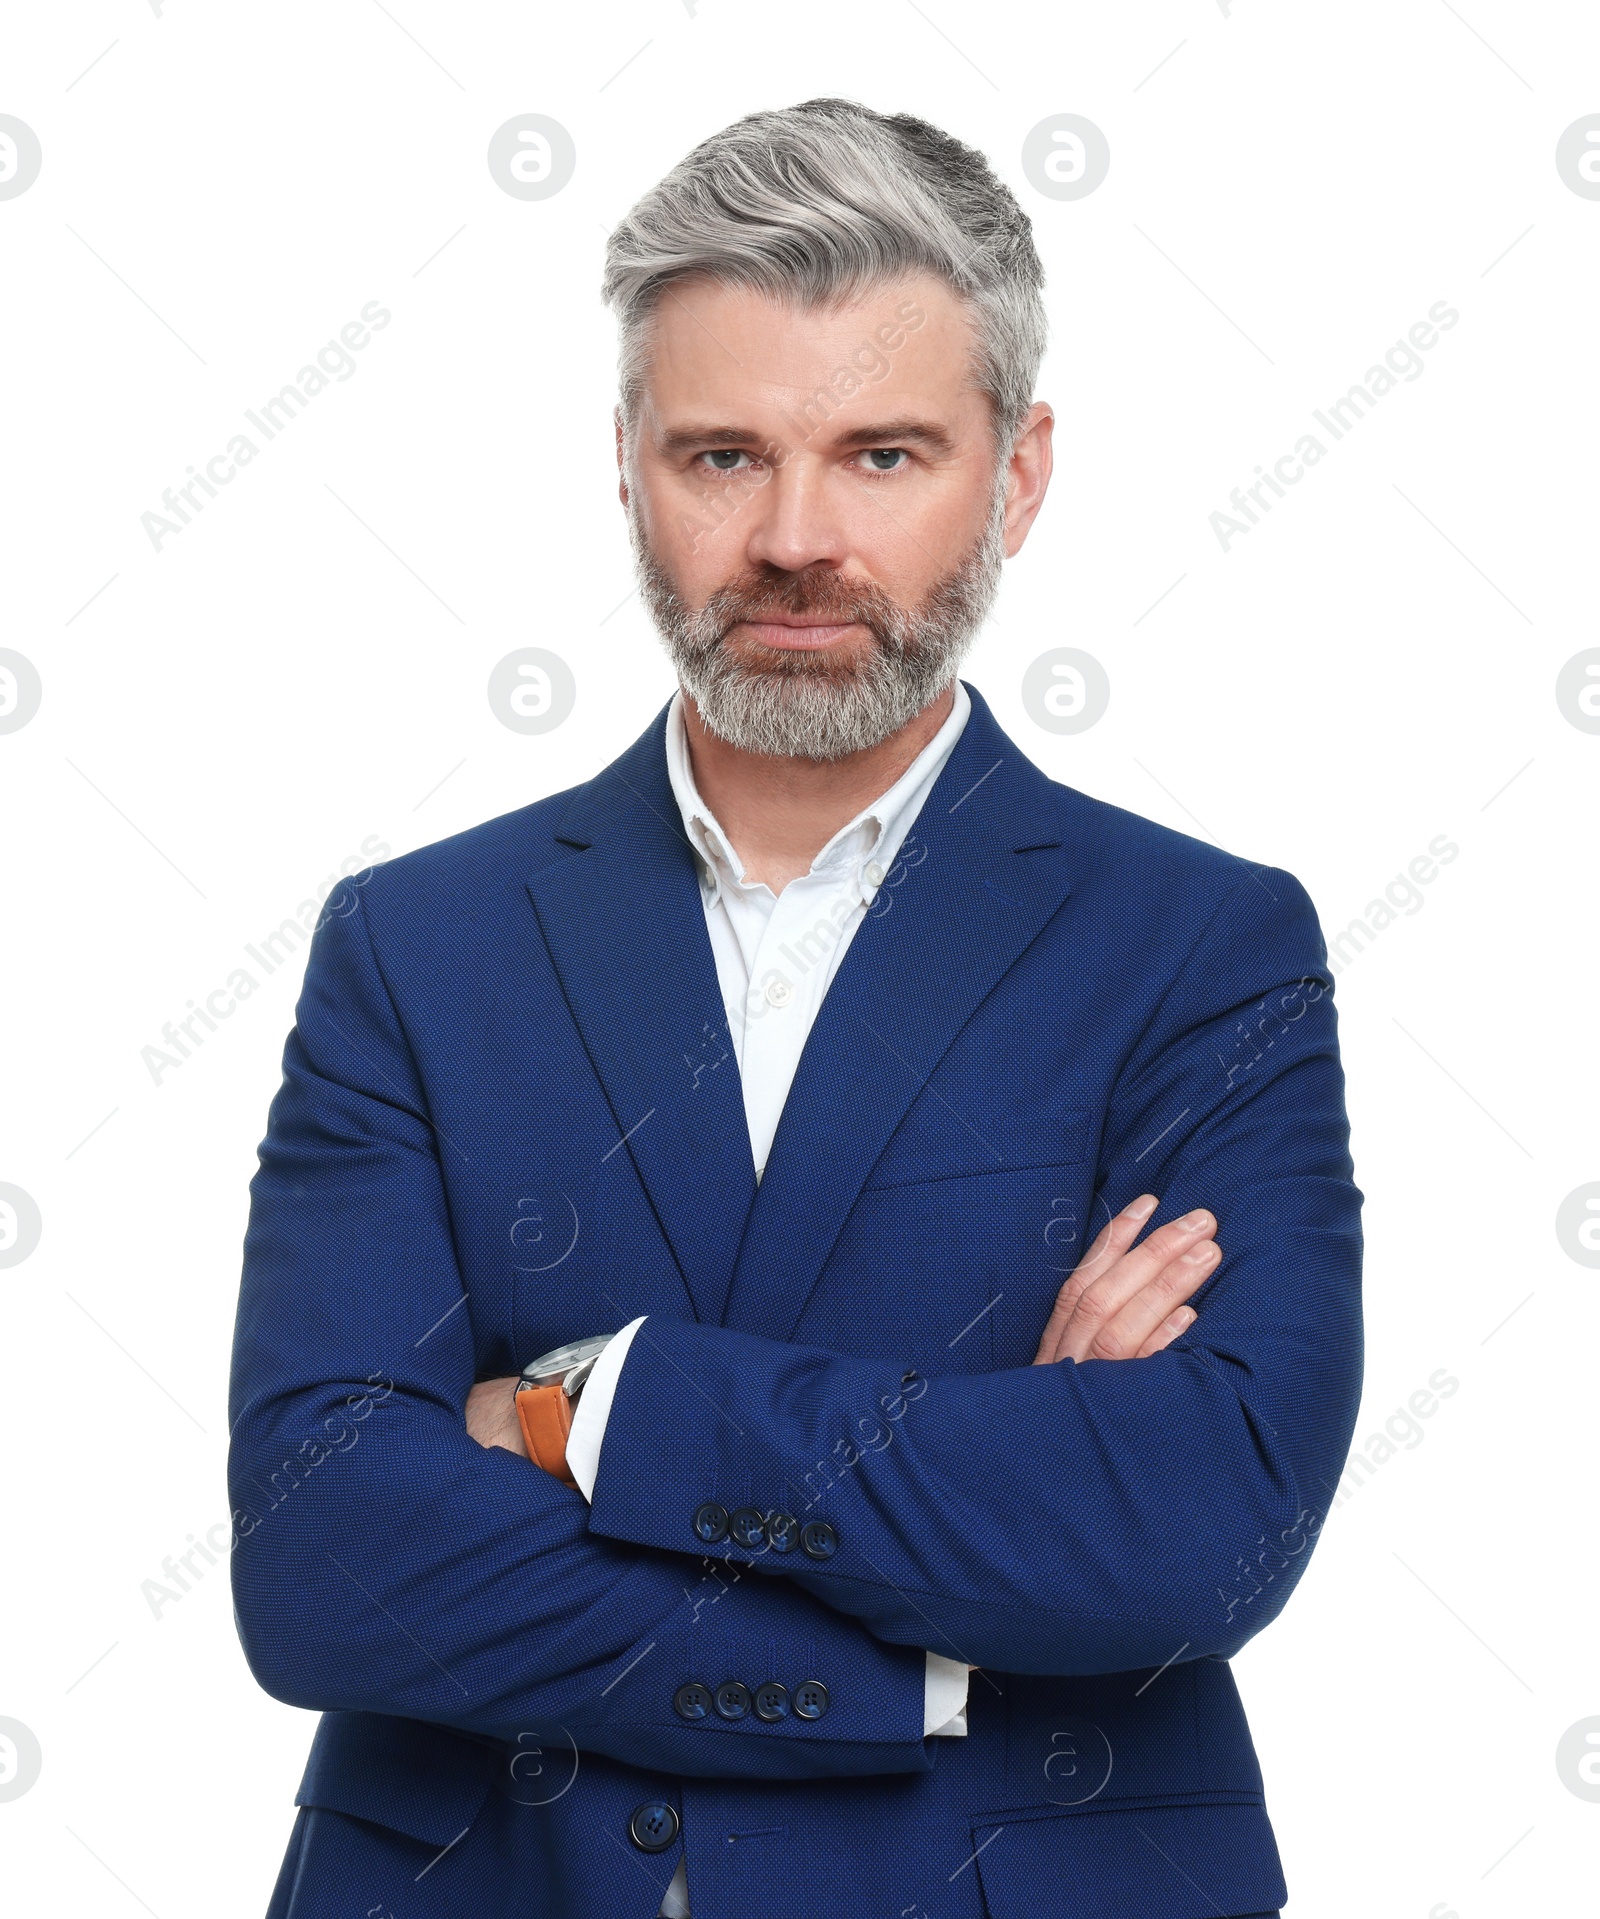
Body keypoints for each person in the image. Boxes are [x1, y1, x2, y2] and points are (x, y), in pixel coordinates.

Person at [229, 97, 1362, 1919]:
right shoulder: (414, 946)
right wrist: (948, 1598)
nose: (795, 537)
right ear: (626, 465)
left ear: (1021, 471)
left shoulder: (1204, 947)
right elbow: (326, 1559)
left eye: (886, 455)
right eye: (724, 456)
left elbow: (1194, 1523)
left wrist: (591, 1412)